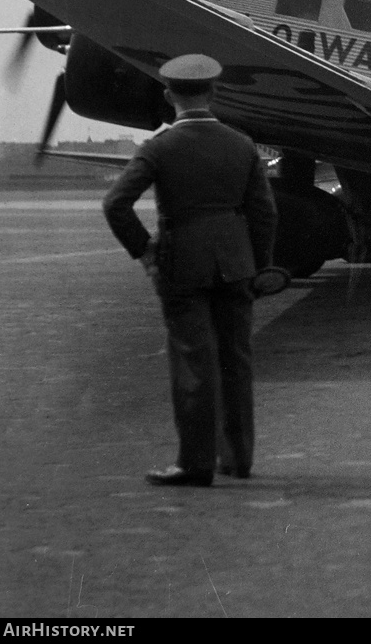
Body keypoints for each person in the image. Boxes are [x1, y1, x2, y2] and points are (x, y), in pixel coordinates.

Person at [102, 54, 277, 487]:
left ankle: (195, 463)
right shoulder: (242, 143)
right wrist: (257, 264)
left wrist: (144, 251)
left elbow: (115, 204)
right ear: (213, 92)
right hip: (235, 264)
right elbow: (265, 213)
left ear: (168, 95)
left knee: (193, 362)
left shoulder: (159, 147)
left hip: (182, 264)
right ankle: (237, 460)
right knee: (236, 359)